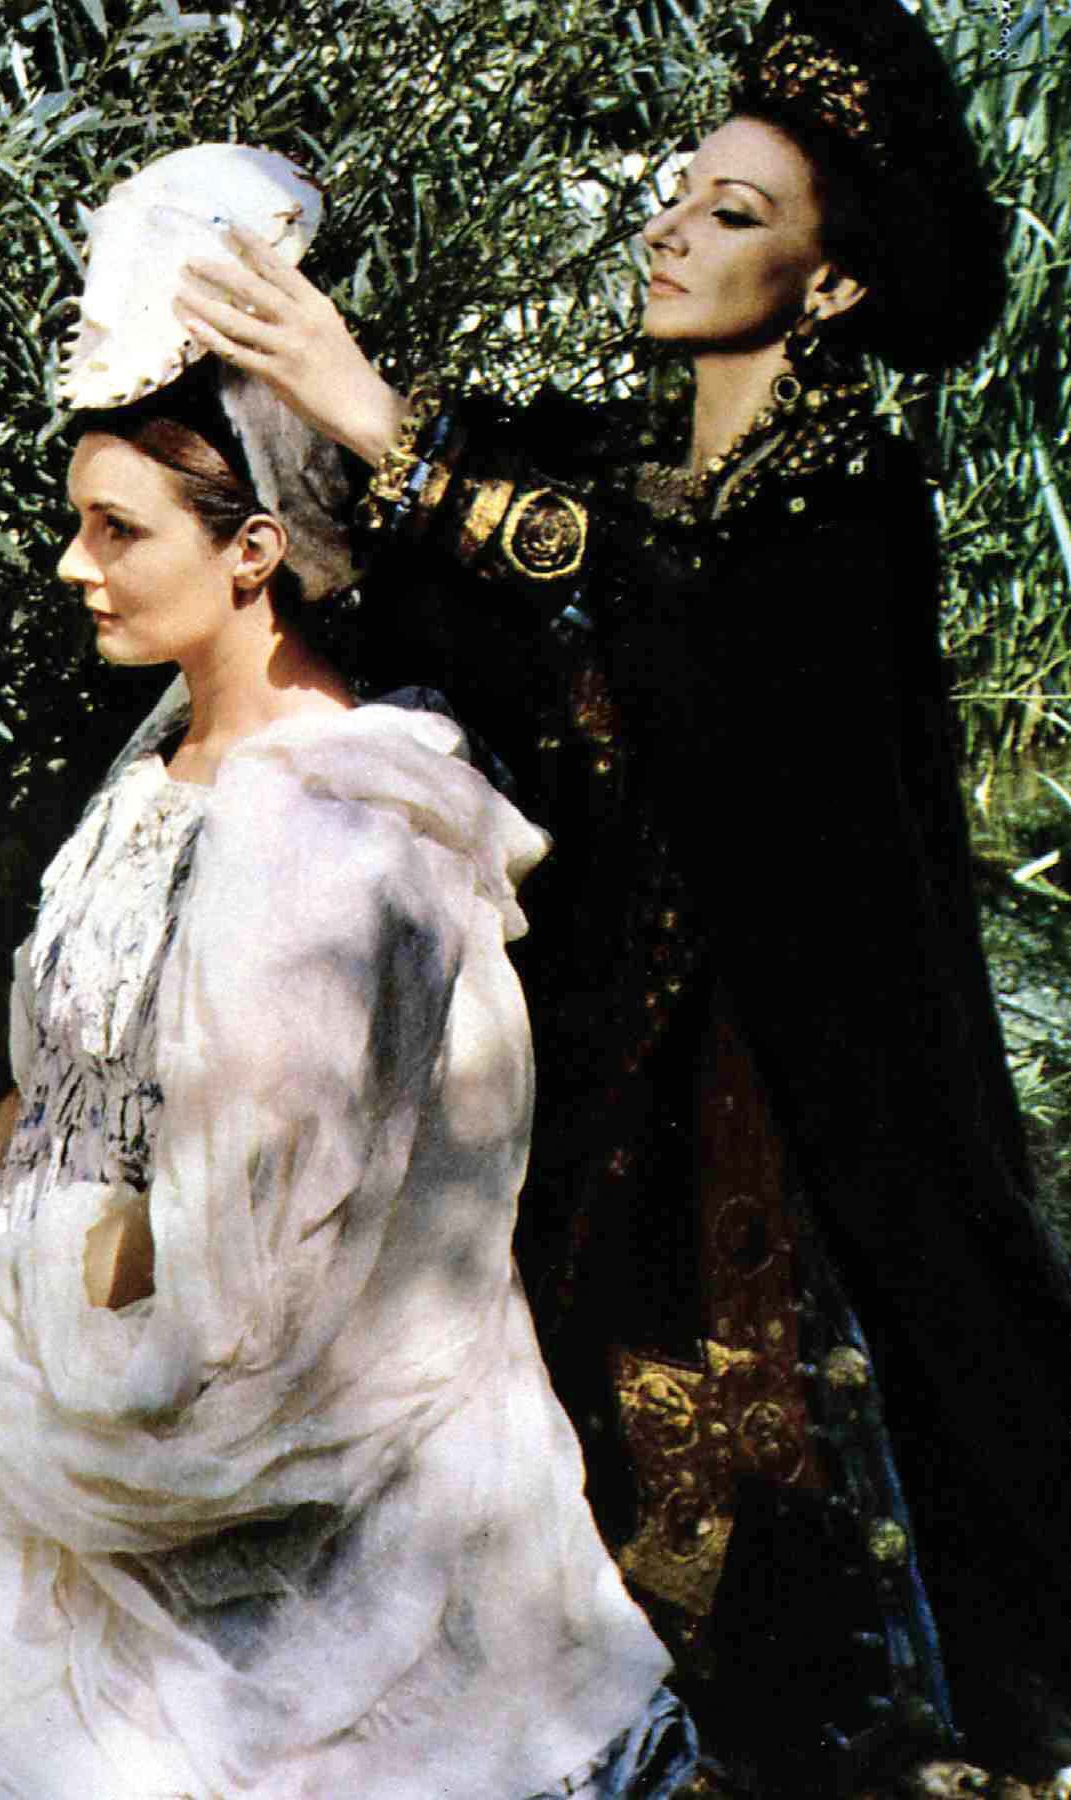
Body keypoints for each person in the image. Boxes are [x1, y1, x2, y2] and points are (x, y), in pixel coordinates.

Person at [172, 1, 1071, 1795]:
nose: (668, 228)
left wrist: (396, 435)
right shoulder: (623, 464)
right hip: (597, 1054)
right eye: (680, 192)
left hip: (772, 1087)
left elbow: (678, 618)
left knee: (797, 1547)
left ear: (829, 283)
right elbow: (518, 597)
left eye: (734, 213)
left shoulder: (847, 504)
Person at [0, 319, 697, 1793]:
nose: (74, 563)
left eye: (117, 529)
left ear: (254, 551)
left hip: (205, 1389)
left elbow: (265, 1262)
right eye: (77, 522)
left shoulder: (335, 827)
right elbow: (65, 1079)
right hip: (59, 1296)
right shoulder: (161, 765)